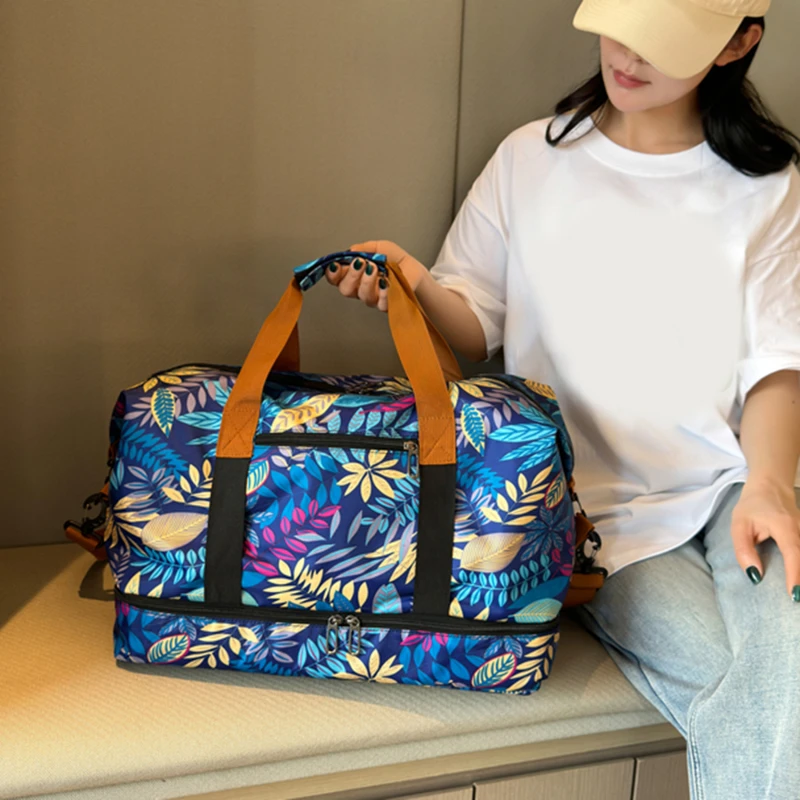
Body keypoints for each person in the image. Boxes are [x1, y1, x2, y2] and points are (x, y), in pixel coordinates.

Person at [325, 0, 800, 797]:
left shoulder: (768, 186)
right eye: (622, 24)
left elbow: (778, 363)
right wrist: (410, 281)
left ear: (737, 43)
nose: (628, 55)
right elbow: (474, 327)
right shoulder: (530, 159)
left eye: (661, 41)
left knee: (788, 662)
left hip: (732, 490)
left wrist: (772, 485)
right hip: (591, 515)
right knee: (750, 687)